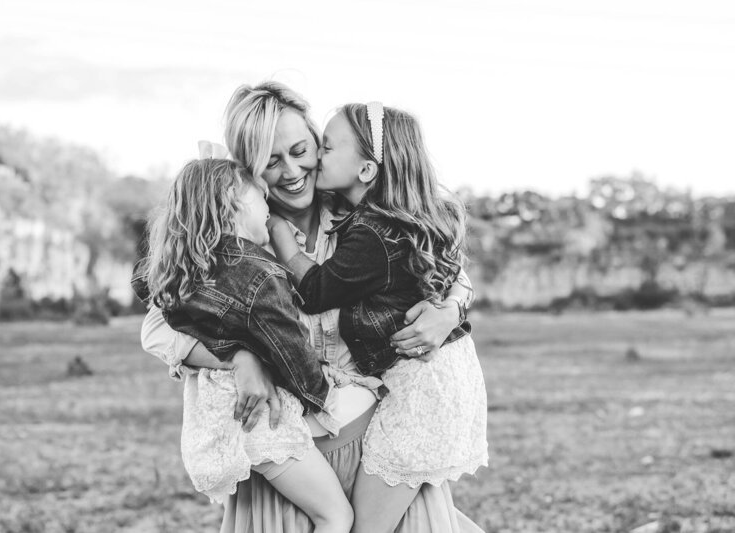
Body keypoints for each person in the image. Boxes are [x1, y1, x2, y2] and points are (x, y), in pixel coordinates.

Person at [138, 82, 484, 532]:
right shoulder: (234, 242)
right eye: (271, 161)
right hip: (291, 461)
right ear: (248, 170)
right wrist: (239, 356)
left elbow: (446, 267)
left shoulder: (367, 217)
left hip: (374, 442)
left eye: (302, 150)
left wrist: (451, 311)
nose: (292, 171)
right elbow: (159, 328)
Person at [269, 102, 488, 533]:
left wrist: (282, 240)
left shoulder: (373, 230)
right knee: (423, 517)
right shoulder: (400, 217)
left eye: (323, 148)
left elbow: (314, 291)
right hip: (427, 386)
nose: (312, 159)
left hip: (420, 394)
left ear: (367, 171)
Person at [144, 155, 353, 532]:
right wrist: (323, 397)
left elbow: (176, 320)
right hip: (264, 422)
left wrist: (234, 352)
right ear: (233, 202)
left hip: (218, 417)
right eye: (261, 199)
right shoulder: (263, 273)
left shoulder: (188, 270)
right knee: (335, 516)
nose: (269, 210)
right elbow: (290, 349)